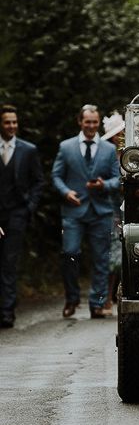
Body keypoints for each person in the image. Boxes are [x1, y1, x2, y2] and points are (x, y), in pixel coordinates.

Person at [52, 104, 120, 319]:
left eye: (95, 122)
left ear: (98, 123)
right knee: (70, 254)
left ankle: (97, 304)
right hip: (73, 210)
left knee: (101, 259)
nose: (91, 126)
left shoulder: (109, 150)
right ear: (80, 122)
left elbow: (117, 179)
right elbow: (56, 176)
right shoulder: (66, 147)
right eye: (87, 122)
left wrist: (104, 185)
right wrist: (65, 192)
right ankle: (71, 299)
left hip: (101, 211)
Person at [0, 104, 44, 328]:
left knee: (9, 262)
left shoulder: (28, 149)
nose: (12, 126)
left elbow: (38, 181)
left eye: (14, 122)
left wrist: (30, 207)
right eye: (7, 122)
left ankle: (7, 312)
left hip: (17, 213)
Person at [102, 113, 125, 311]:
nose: (119, 137)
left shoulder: (128, 153)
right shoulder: (107, 155)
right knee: (113, 254)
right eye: (116, 134)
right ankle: (107, 295)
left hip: (128, 206)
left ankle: (120, 292)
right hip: (112, 208)